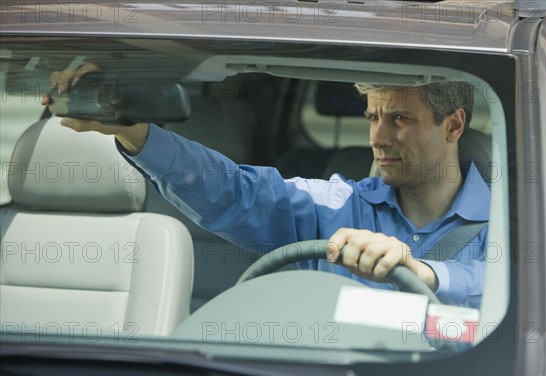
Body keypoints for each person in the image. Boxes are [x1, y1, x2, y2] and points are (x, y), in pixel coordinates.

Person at [43, 68, 489, 309]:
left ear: (452, 125)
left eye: (400, 119)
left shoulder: (518, 219)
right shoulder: (333, 206)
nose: (378, 138)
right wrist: (136, 133)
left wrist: (426, 274)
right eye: (373, 117)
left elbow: (517, 290)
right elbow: (233, 191)